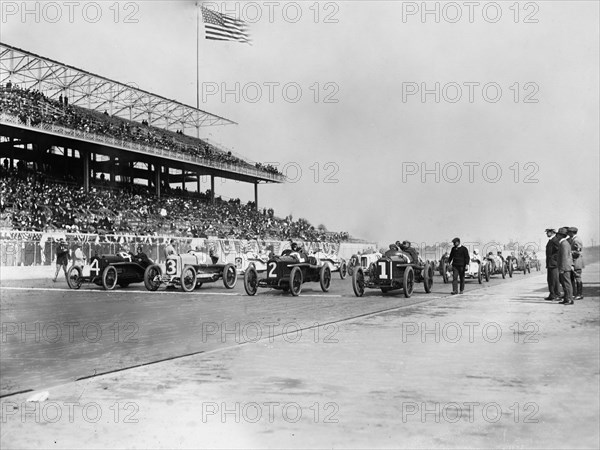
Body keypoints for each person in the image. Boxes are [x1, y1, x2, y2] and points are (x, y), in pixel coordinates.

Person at [556, 228, 574, 305]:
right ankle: (567, 298)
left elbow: (564, 257)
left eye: (558, 234)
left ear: (561, 235)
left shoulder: (563, 244)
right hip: (566, 266)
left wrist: (562, 268)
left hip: (565, 267)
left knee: (566, 284)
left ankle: (569, 299)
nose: (557, 236)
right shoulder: (565, 243)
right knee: (565, 283)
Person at [567, 226, 584, 300]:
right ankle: (574, 293)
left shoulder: (576, 240)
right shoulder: (572, 239)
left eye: (569, 232)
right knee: (573, 278)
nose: (567, 233)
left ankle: (579, 294)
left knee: (578, 278)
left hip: (576, 262)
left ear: (572, 232)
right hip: (574, 261)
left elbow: (578, 252)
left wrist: (569, 253)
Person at [544, 228, 561, 300]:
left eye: (548, 232)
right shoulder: (551, 240)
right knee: (550, 280)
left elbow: (559, 252)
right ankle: (552, 294)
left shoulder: (555, 240)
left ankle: (557, 294)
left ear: (552, 232)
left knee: (555, 280)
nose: (546, 234)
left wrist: (554, 259)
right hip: (550, 264)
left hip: (554, 264)